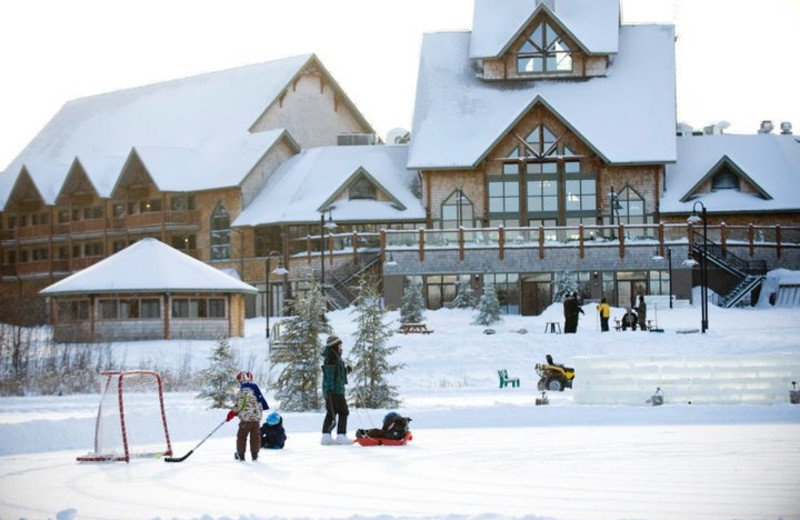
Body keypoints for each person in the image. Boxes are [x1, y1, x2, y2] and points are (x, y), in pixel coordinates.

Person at [226, 369, 269, 461]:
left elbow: (239, 405)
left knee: (242, 437)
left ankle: (240, 455)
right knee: (255, 437)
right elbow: (258, 404)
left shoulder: (243, 391)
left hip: (246, 419)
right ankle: (255, 455)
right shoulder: (256, 390)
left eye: (239, 380)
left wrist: (232, 413)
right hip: (256, 419)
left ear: (241, 379)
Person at [321, 335, 352, 445]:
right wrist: (329, 390)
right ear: (335, 345)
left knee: (331, 412)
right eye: (339, 344)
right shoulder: (332, 358)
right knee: (344, 412)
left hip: (334, 390)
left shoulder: (334, 357)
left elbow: (337, 375)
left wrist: (347, 370)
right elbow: (329, 375)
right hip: (334, 392)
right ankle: (341, 435)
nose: (341, 346)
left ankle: (326, 436)